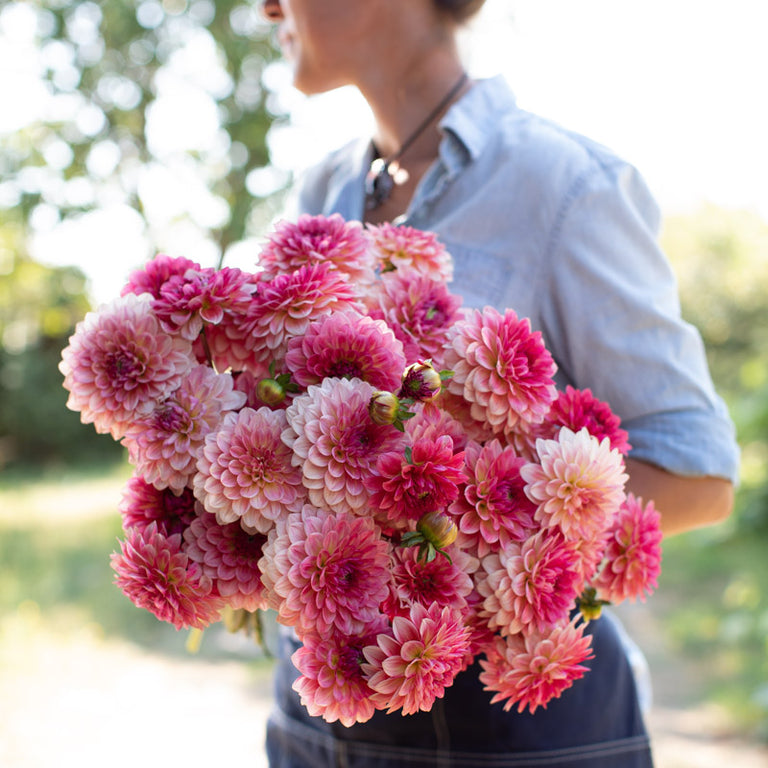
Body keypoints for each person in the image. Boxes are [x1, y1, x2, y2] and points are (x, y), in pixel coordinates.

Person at [258, 1, 740, 766]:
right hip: (316, 719)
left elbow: (699, 472)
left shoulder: (565, 183)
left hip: (514, 736)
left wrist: (483, 542)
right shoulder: (321, 191)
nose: (267, 6)